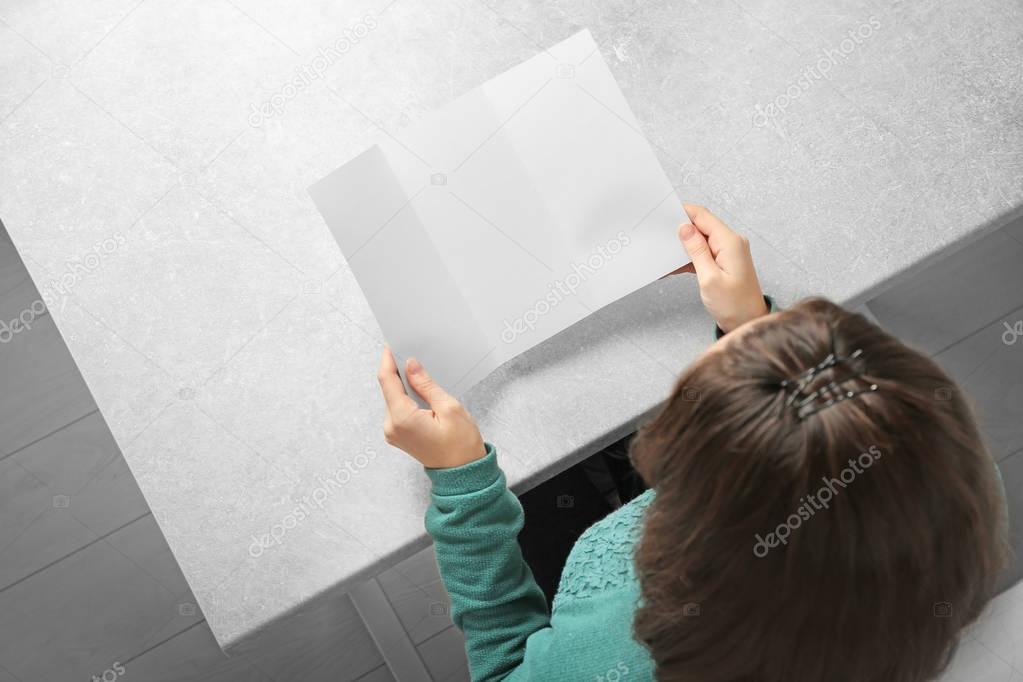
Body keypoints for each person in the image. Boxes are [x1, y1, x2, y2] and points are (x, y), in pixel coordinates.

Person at [375, 205, 1008, 681]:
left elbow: (508, 669)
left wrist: (464, 490)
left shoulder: (616, 647)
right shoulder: (945, 488)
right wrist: (749, 323)